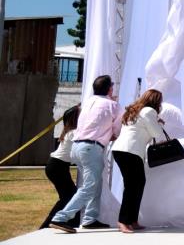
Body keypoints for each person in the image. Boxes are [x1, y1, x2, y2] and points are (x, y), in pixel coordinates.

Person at [49, 75, 122, 233]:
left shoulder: (87, 102)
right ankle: (61, 218)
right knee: (90, 186)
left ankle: (90, 218)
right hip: (91, 148)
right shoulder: (113, 105)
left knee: (93, 185)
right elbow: (117, 131)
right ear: (110, 88)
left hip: (77, 147)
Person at [110, 89, 166, 233]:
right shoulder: (148, 111)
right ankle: (123, 221)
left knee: (137, 184)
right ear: (156, 101)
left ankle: (132, 220)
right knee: (132, 186)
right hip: (130, 151)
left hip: (123, 150)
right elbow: (157, 134)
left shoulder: (133, 111)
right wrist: (159, 124)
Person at [40, 105, 81, 229]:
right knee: (69, 196)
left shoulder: (69, 131)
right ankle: (49, 223)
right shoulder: (74, 133)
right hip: (57, 167)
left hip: (57, 166)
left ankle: (71, 222)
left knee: (70, 195)